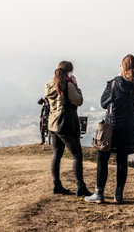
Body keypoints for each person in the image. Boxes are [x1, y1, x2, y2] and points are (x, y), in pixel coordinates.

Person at [85, 54, 134, 204]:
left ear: (122, 68)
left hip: (112, 125)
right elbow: (133, 104)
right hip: (128, 126)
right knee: (122, 160)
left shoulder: (115, 83)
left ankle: (99, 193)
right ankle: (119, 195)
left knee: (102, 159)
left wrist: (114, 80)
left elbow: (103, 103)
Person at [45, 61, 92, 196]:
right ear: (69, 72)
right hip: (66, 124)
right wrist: (76, 85)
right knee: (77, 155)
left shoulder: (50, 85)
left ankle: (57, 185)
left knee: (57, 154)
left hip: (53, 124)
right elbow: (79, 100)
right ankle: (80, 186)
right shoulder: (68, 85)